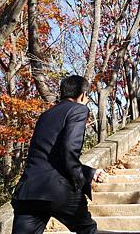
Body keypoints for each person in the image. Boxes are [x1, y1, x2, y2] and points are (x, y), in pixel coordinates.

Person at [11, 75, 107, 234]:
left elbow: (48, 156)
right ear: (82, 95)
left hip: (29, 191)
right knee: (88, 231)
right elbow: (69, 150)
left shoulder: (45, 116)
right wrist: (78, 182)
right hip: (60, 190)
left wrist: (90, 172)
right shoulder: (79, 109)